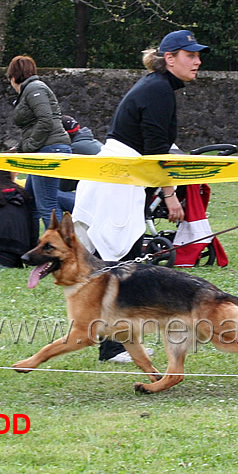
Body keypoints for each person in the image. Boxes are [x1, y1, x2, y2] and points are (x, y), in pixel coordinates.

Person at [72, 30, 208, 362]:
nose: (198, 61)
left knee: (119, 263)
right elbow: (156, 154)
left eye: (197, 55)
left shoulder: (158, 87)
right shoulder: (158, 90)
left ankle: (112, 342)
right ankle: (114, 345)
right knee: (122, 264)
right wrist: (171, 196)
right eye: (191, 55)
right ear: (170, 58)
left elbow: (154, 150)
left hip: (121, 179)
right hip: (117, 182)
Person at [7, 55, 72, 229]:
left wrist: (28, 147)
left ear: (13, 76)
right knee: (30, 202)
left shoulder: (34, 88)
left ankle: (61, 251)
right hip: (44, 148)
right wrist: (20, 147)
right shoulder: (31, 90)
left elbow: (45, 120)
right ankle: (31, 247)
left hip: (49, 150)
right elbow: (35, 125)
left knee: (47, 205)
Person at [58, 115, 104, 213]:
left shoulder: (75, 149)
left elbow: (65, 186)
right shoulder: (93, 142)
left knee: (50, 194)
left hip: (99, 203)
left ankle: (56, 228)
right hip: (107, 198)